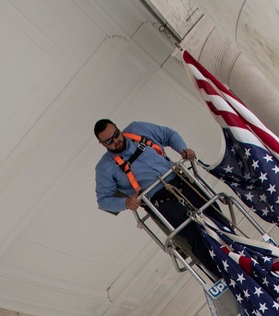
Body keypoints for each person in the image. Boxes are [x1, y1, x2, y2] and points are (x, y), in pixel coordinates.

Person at [93, 117, 223, 277]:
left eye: (116, 135)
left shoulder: (137, 129)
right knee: (193, 234)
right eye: (109, 142)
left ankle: (243, 251)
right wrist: (127, 203)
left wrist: (183, 149)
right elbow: (103, 201)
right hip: (159, 201)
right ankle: (222, 277)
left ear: (118, 129)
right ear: (102, 144)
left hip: (180, 180)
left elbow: (168, 135)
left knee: (214, 212)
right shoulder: (104, 168)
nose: (116, 141)